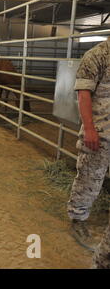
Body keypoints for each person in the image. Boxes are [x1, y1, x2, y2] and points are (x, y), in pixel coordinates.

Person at [67, 37, 110, 252]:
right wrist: (90, 129)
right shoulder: (96, 55)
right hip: (101, 133)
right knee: (90, 177)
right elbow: (83, 94)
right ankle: (78, 219)